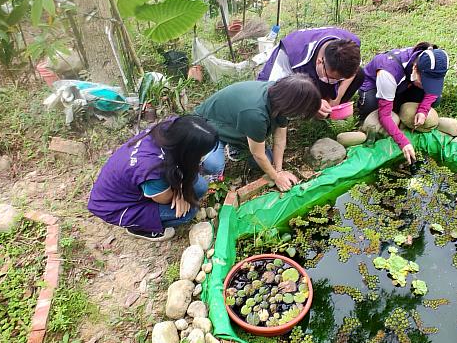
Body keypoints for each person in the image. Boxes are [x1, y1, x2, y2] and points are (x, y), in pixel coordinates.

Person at [87, 115, 219, 242]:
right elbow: (164, 199)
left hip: (134, 184)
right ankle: (139, 228)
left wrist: (181, 190)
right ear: (187, 151)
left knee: (200, 187)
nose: (202, 157)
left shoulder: (171, 128)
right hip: (117, 205)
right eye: (201, 154)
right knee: (188, 212)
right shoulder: (152, 169)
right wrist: (180, 192)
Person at [195, 76, 321, 191]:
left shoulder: (281, 97)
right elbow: (258, 153)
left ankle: (236, 146)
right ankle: (203, 160)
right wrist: (276, 178)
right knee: (214, 166)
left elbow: (280, 139)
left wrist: (279, 170)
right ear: (292, 106)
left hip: (235, 121)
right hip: (208, 125)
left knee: (265, 161)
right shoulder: (255, 113)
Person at [359, 43, 449, 164]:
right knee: (370, 106)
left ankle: (398, 105)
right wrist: (403, 142)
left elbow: (432, 92)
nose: (428, 86)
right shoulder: (388, 71)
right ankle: (393, 106)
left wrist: (423, 110)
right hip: (375, 85)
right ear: (415, 68)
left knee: (436, 99)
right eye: (425, 82)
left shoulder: (433, 64)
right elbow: (384, 115)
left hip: (404, 85)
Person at [257, 27, 363, 117]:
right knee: (273, 103)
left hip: (318, 73)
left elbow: (353, 72)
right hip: (293, 78)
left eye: (339, 79)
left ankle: (327, 110)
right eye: (331, 78)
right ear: (319, 61)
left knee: (360, 75)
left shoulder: (351, 46)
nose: (335, 82)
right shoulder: (291, 55)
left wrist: (337, 98)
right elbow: (272, 92)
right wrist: (312, 104)